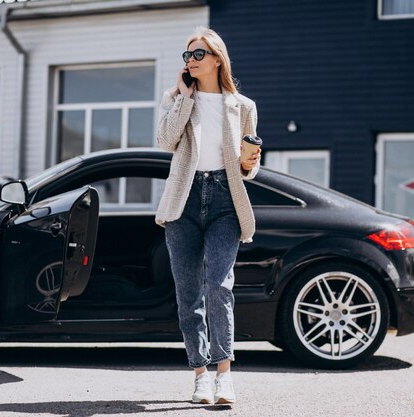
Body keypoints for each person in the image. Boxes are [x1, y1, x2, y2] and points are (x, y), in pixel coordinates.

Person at [155, 26, 261, 405]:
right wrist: (184, 98)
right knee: (188, 295)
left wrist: (250, 162)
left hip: (224, 201)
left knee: (219, 285)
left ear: (217, 58)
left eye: (198, 54)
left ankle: (224, 375)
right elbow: (166, 141)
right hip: (183, 201)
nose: (191, 61)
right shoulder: (175, 98)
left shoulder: (243, 106)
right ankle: (199, 374)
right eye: (187, 56)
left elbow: (248, 169)